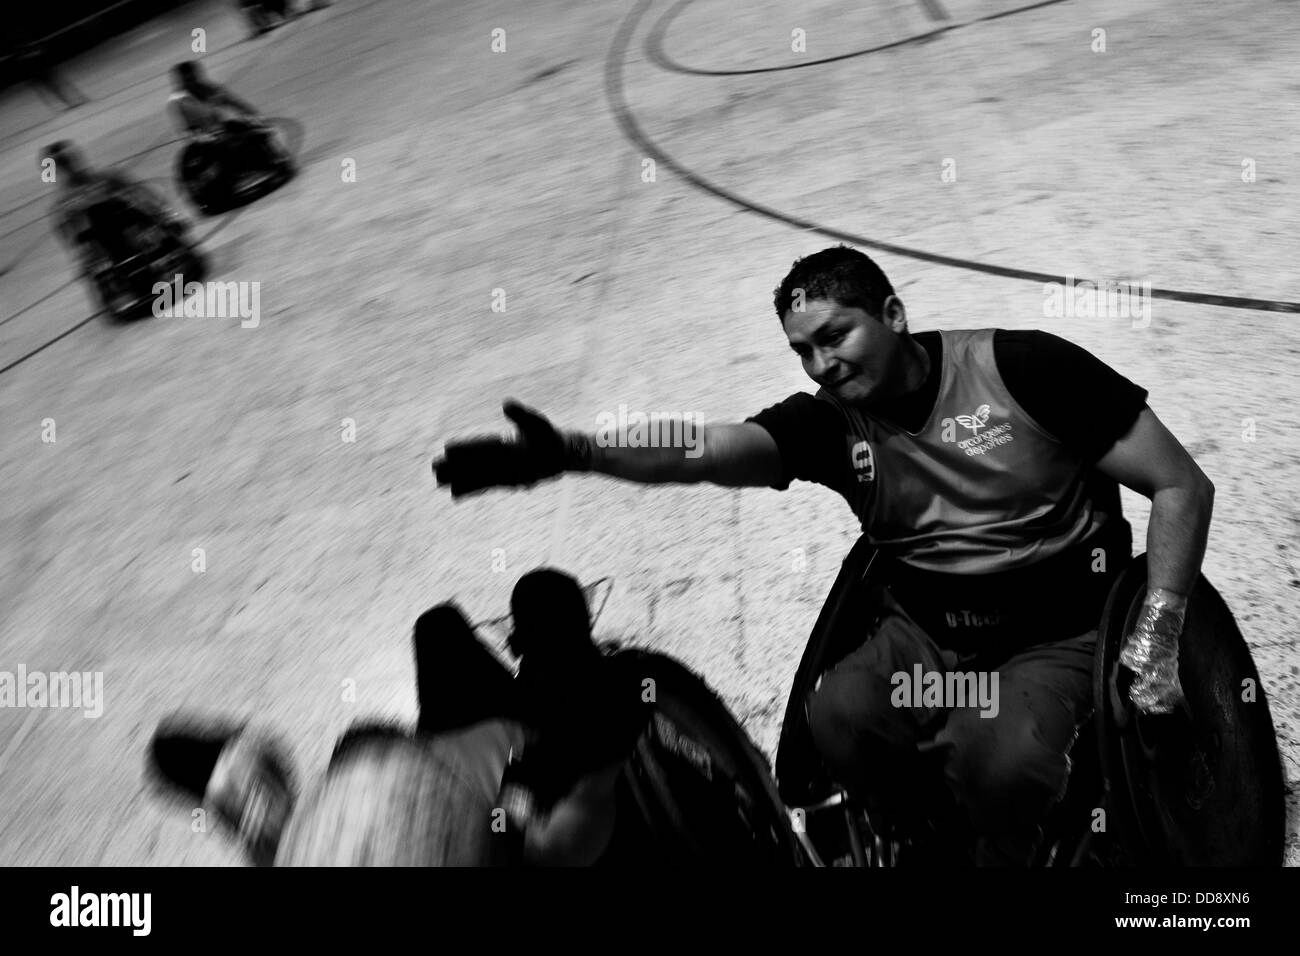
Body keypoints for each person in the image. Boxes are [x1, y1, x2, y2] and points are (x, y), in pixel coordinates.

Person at [432, 244, 1216, 866]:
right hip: (931, 631)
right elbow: (700, 448)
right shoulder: (831, 426)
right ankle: (923, 839)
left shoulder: (1024, 368)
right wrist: (574, 451)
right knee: (839, 716)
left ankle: (1003, 850)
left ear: (894, 314)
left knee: (997, 759)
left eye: (835, 336)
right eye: (803, 352)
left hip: (1055, 632)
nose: (821, 366)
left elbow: (1180, 484)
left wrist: (1161, 631)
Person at [45, 141, 189, 271]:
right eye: (63, 163)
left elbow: (139, 190)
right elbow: (67, 231)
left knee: (132, 199)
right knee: (93, 217)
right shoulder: (64, 202)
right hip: (101, 236)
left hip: (126, 220)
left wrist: (164, 212)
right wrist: (80, 254)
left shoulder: (104, 177)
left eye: (67, 161)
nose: (68, 166)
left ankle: (165, 228)